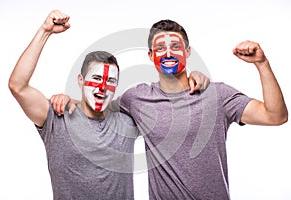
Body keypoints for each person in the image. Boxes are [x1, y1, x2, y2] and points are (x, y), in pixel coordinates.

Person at [58, 19, 288, 199]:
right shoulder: (137, 98)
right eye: (160, 48)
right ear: (150, 56)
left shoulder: (218, 95)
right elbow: (100, 109)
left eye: (175, 46)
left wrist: (262, 64)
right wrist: (71, 99)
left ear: (188, 52)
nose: (168, 53)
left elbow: (276, 116)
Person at [8, 10, 140, 200]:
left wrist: (194, 78)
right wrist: (45, 31)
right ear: (81, 80)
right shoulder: (57, 117)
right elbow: (17, 86)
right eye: (95, 78)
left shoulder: (128, 122)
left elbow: (169, 103)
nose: (102, 87)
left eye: (110, 80)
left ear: (117, 85)